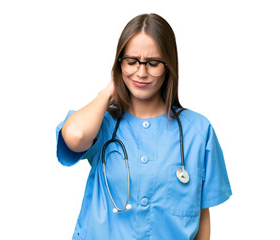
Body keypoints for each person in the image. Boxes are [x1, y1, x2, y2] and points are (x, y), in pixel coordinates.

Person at [56, 13, 232, 240]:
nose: (141, 72)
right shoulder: (102, 123)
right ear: (119, 63)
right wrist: (109, 91)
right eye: (131, 62)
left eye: (153, 63)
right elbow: (75, 135)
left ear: (168, 66)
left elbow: (202, 214)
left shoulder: (198, 132)